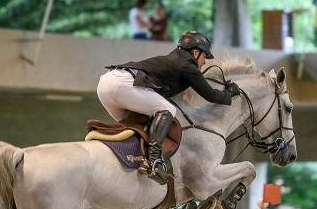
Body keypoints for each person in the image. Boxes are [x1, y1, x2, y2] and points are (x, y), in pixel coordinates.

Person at [97, 31, 241, 184]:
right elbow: (210, 95)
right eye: (205, 56)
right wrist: (229, 93)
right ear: (195, 52)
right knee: (168, 110)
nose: (205, 62)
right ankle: (153, 161)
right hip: (122, 85)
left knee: (138, 128)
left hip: (105, 85)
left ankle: (131, 162)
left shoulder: (175, 60)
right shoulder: (188, 66)